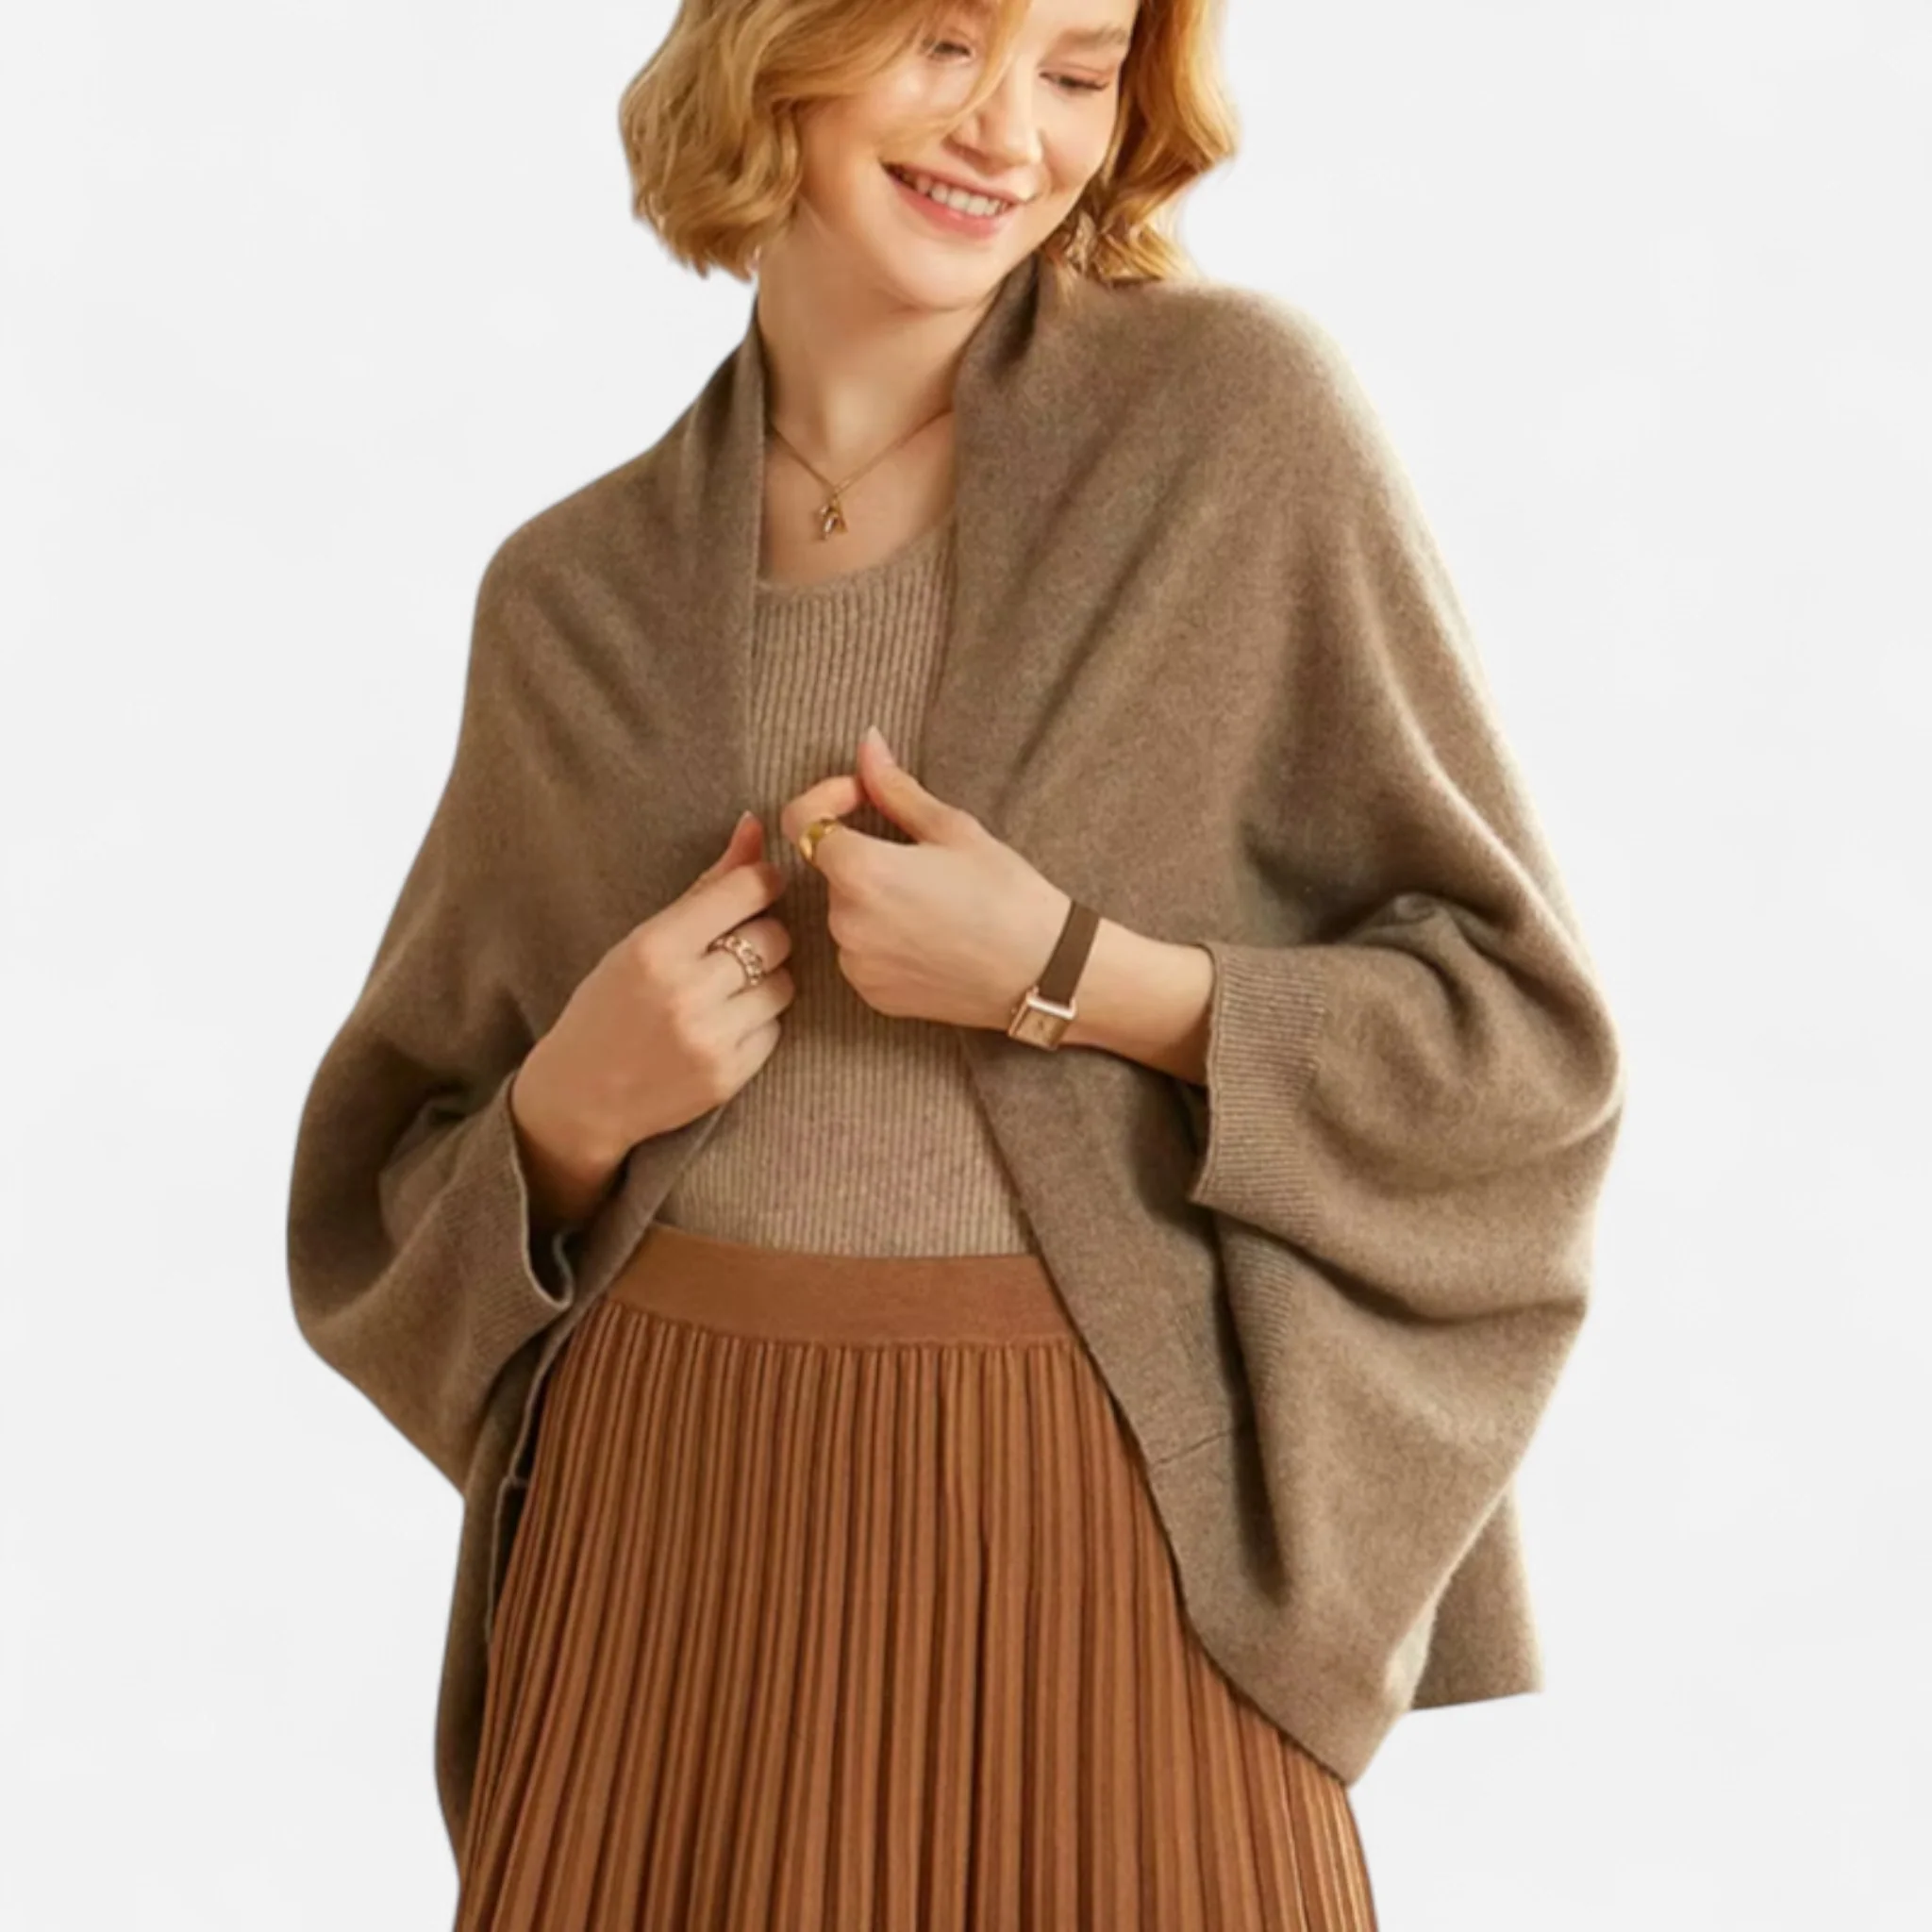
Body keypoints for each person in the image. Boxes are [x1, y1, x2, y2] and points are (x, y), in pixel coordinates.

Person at [287, 1, 1625, 1925]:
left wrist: (1072, 970)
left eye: (1076, 71)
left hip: (1096, 1520)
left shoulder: (1232, 432)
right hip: (665, 1535)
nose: (1009, 130)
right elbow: (386, 1188)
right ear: (779, 45)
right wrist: (569, 1110)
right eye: (942, 43)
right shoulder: (572, 597)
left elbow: (1522, 1047)